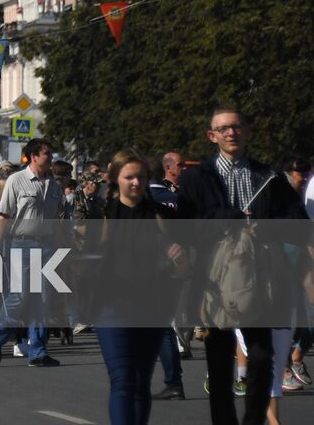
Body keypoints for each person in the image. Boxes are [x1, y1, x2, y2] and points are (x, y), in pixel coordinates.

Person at [177, 108, 311, 425]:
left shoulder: (268, 176)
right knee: (219, 362)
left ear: (247, 131)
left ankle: (253, 420)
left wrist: (268, 228)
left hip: (261, 278)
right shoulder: (198, 177)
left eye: (237, 127)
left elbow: (299, 223)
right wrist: (228, 219)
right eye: (223, 128)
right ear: (212, 136)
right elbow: (185, 225)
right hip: (214, 280)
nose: (231, 133)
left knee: (263, 357)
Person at [92, 150, 187, 425]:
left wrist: (180, 258)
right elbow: (83, 260)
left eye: (141, 177)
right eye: (129, 177)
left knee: (140, 381)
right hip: (111, 309)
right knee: (122, 380)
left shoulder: (162, 217)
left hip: (152, 308)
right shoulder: (102, 216)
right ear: (115, 179)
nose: (136, 182)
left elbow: (183, 268)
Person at [0, 137, 65, 367]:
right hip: (21, 244)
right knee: (20, 295)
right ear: (34, 157)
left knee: (43, 297)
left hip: (47, 246)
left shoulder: (53, 186)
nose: (50, 157)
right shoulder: (16, 180)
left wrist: (59, 250)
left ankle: (38, 351)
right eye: (46, 153)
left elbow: (57, 221)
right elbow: (4, 216)